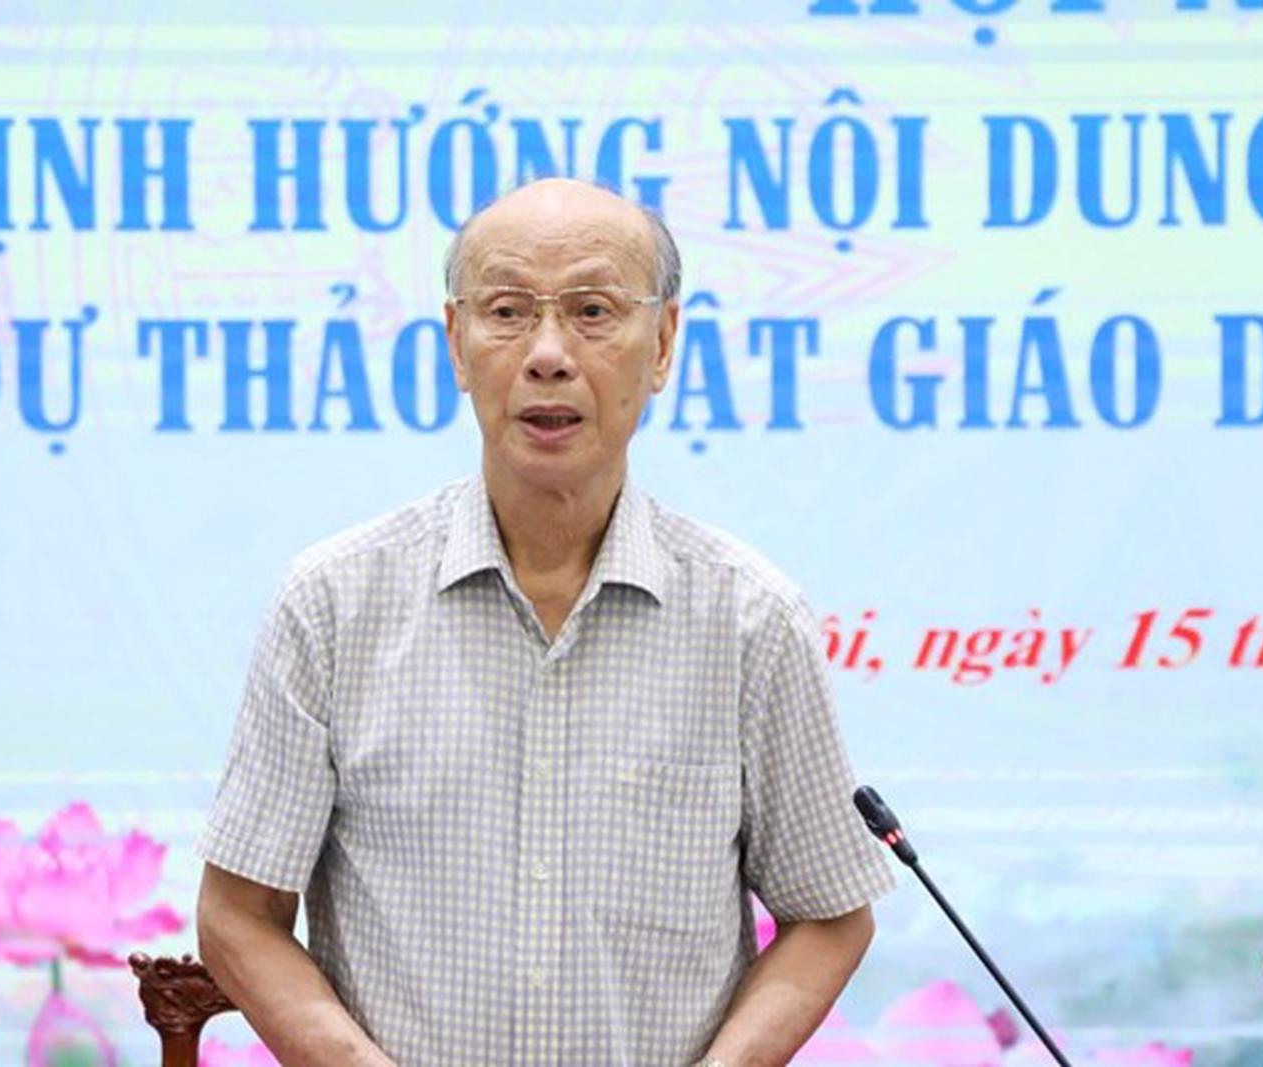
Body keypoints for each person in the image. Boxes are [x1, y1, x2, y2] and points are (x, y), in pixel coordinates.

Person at [195, 178, 894, 1066]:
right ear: (457, 342)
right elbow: (237, 915)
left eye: (593, 311)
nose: (549, 354)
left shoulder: (749, 620)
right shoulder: (334, 603)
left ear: (663, 343)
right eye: (508, 312)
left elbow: (828, 916)